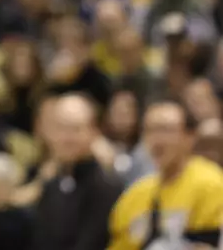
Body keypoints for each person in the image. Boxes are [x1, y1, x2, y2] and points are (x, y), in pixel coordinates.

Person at [106, 100, 223, 250]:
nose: (157, 140)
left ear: (189, 137)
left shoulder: (211, 184)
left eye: (165, 130)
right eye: (149, 130)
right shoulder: (134, 194)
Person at [32, 93, 119, 250]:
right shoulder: (51, 185)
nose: (66, 138)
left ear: (94, 132)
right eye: (60, 128)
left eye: (75, 129)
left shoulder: (105, 186)